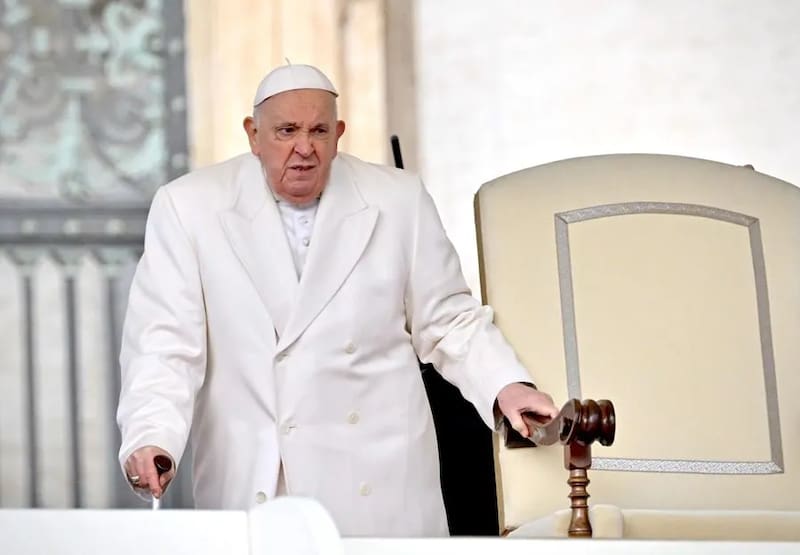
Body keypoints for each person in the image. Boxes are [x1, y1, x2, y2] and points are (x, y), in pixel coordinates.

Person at [116, 63, 558, 537]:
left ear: (338, 133)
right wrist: (152, 435)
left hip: (383, 484)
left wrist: (506, 386)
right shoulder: (189, 206)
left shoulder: (398, 199)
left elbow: (449, 321)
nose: (304, 148)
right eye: (286, 131)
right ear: (253, 134)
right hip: (264, 486)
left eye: (318, 131)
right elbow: (165, 344)